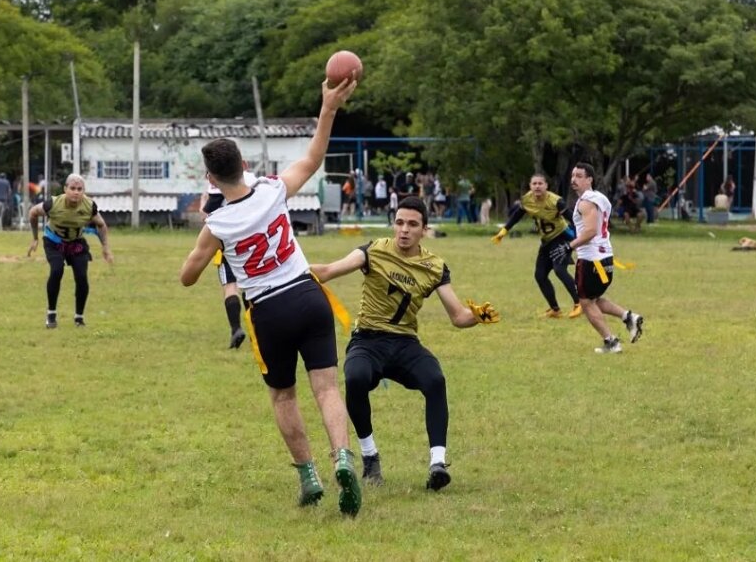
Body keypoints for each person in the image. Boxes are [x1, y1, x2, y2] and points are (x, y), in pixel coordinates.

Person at [179, 77, 362, 517]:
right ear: (244, 165)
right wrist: (328, 107)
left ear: (210, 178)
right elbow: (313, 158)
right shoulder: (272, 189)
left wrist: (211, 238)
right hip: (308, 294)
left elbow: (187, 277)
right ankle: (342, 456)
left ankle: (309, 476)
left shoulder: (217, 224)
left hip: (268, 311)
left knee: (283, 396)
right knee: (326, 388)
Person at [309, 196, 500, 491]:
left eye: (412, 224)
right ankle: (370, 456)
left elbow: (458, 316)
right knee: (355, 377)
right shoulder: (373, 251)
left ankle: (438, 464)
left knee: (435, 380)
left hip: (404, 342)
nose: (404, 230)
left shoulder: (434, 266)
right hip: (368, 339)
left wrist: (478, 316)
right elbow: (328, 271)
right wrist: (284, 270)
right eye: (399, 222)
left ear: (424, 229)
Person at [567, 163, 644, 354]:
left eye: (579, 176)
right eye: (573, 175)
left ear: (589, 179)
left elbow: (590, 231)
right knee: (593, 299)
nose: (574, 179)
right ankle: (629, 317)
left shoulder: (586, 202)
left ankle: (611, 342)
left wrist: (570, 246)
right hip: (605, 258)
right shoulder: (600, 198)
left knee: (586, 303)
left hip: (591, 260)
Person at [27, 173, 113, 328]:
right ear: (65, 189)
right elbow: (33, 212)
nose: (76, 192)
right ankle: (51, 314)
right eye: (72, 188)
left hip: (76, 243)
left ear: (84, 191)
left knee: (82, 277)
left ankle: (79, 318)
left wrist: (105, 247)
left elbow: (101, 224)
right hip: (54, 241)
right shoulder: (53, 204)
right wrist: (35, 238)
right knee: (57, 270)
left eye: (80, 189)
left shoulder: (89, 206)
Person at [491, 173, 581, 319]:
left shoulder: (556, 201)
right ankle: (555, 310)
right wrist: (504, 230)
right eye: (534, 183)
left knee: (559, 270)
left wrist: (579, 238)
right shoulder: (527, 199)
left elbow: (573, 219)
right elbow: (517, 215)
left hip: (561, 237)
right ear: (530, 186)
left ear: (546, 186)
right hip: (546, 241)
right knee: (540, 275)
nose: (537, 186)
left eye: (540, 183)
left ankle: (579, 303)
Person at [199, 168, 259, 349]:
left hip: (227, 243)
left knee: (230, 287)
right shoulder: (249, 183)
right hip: (252, 242)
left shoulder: (216, 188)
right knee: (252, 287)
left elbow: (206, 215)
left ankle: (236, 329)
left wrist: (203, 201)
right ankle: (257, 331)